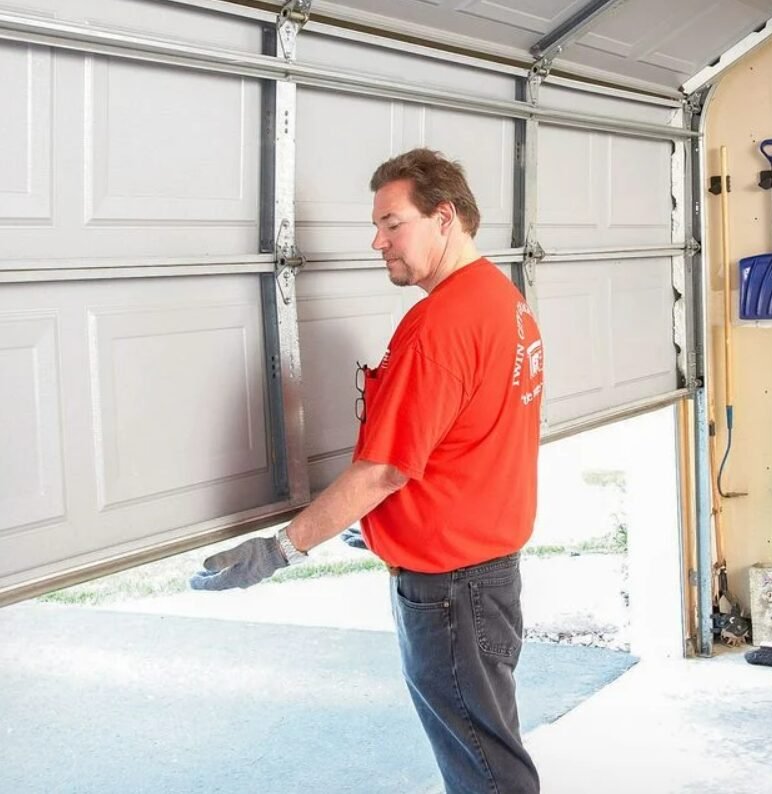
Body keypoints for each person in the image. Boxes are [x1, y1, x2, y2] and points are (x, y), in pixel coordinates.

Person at [191, 148, 544, 794]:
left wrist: (281, 548)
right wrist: (391, 522)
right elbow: (468, 439)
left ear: (444, 218)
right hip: (486, 576)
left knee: (487, 774)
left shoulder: (438, 327)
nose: (375, 240)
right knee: (488, 751)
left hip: (449, 592)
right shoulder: (503, 300)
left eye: (391, 223)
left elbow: (383, 470)